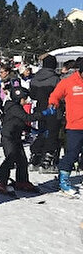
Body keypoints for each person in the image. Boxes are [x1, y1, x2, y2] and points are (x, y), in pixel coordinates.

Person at [0, 86, 53, 194]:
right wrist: (44, 113)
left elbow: (19, 123)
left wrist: (35, 130)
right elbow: (27, 118)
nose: (27, 100)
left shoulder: (17, 108)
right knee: (10, 159)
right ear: (19, 98)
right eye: (25, 98)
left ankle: (22, 181)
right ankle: (1, 181)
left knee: (22, 161)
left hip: (16, 137)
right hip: (8, 137)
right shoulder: (14, 107)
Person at [48, 62, 83, 196]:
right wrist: (53, 104)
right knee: (72, 154)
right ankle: (63, 179)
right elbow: (55, 95)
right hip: (75, 125)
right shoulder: (69, 82)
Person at [29, 55, 61, 171]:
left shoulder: (35, 78)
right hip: (53, 109)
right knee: (52, 134)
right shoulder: (56, 79)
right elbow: (60, 95)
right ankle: (47, 161)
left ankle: (35, 158)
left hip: (39, 110)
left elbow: (32, 95)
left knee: (40, 133)